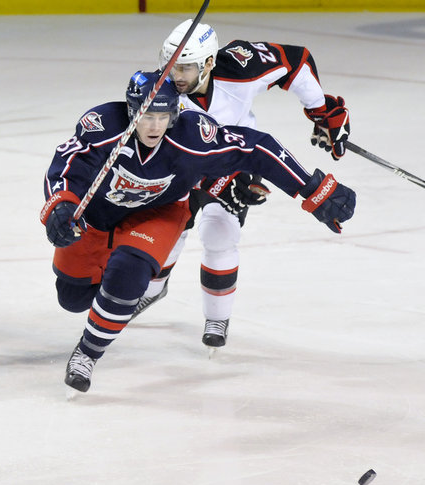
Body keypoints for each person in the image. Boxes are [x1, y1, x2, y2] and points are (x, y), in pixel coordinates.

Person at [41, 71, 355, 392]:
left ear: (175, 113)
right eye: (147, 116)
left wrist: (312, 188)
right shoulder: (103, 126)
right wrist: (61, 205)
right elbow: (65, 166)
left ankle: (87, 354)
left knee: (129, 273)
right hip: (97, 217)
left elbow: (257, 149)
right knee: (73, 299)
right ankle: (115, 290)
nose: (154, 126)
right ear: (132, 110)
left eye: (163, 116)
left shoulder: (193, 136)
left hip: (157, 215)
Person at [132, 19, 351, 350]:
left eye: (186, 68)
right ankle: (149, 290)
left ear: (208, 63)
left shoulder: (240, 65)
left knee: (220, 233)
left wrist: (322, 111)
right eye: (170, 65)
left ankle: (217, 317)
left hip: (239, 159)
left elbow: (296, 61)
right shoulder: (160, 91)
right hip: (182, 164)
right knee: (166, 231)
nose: (175, 76)